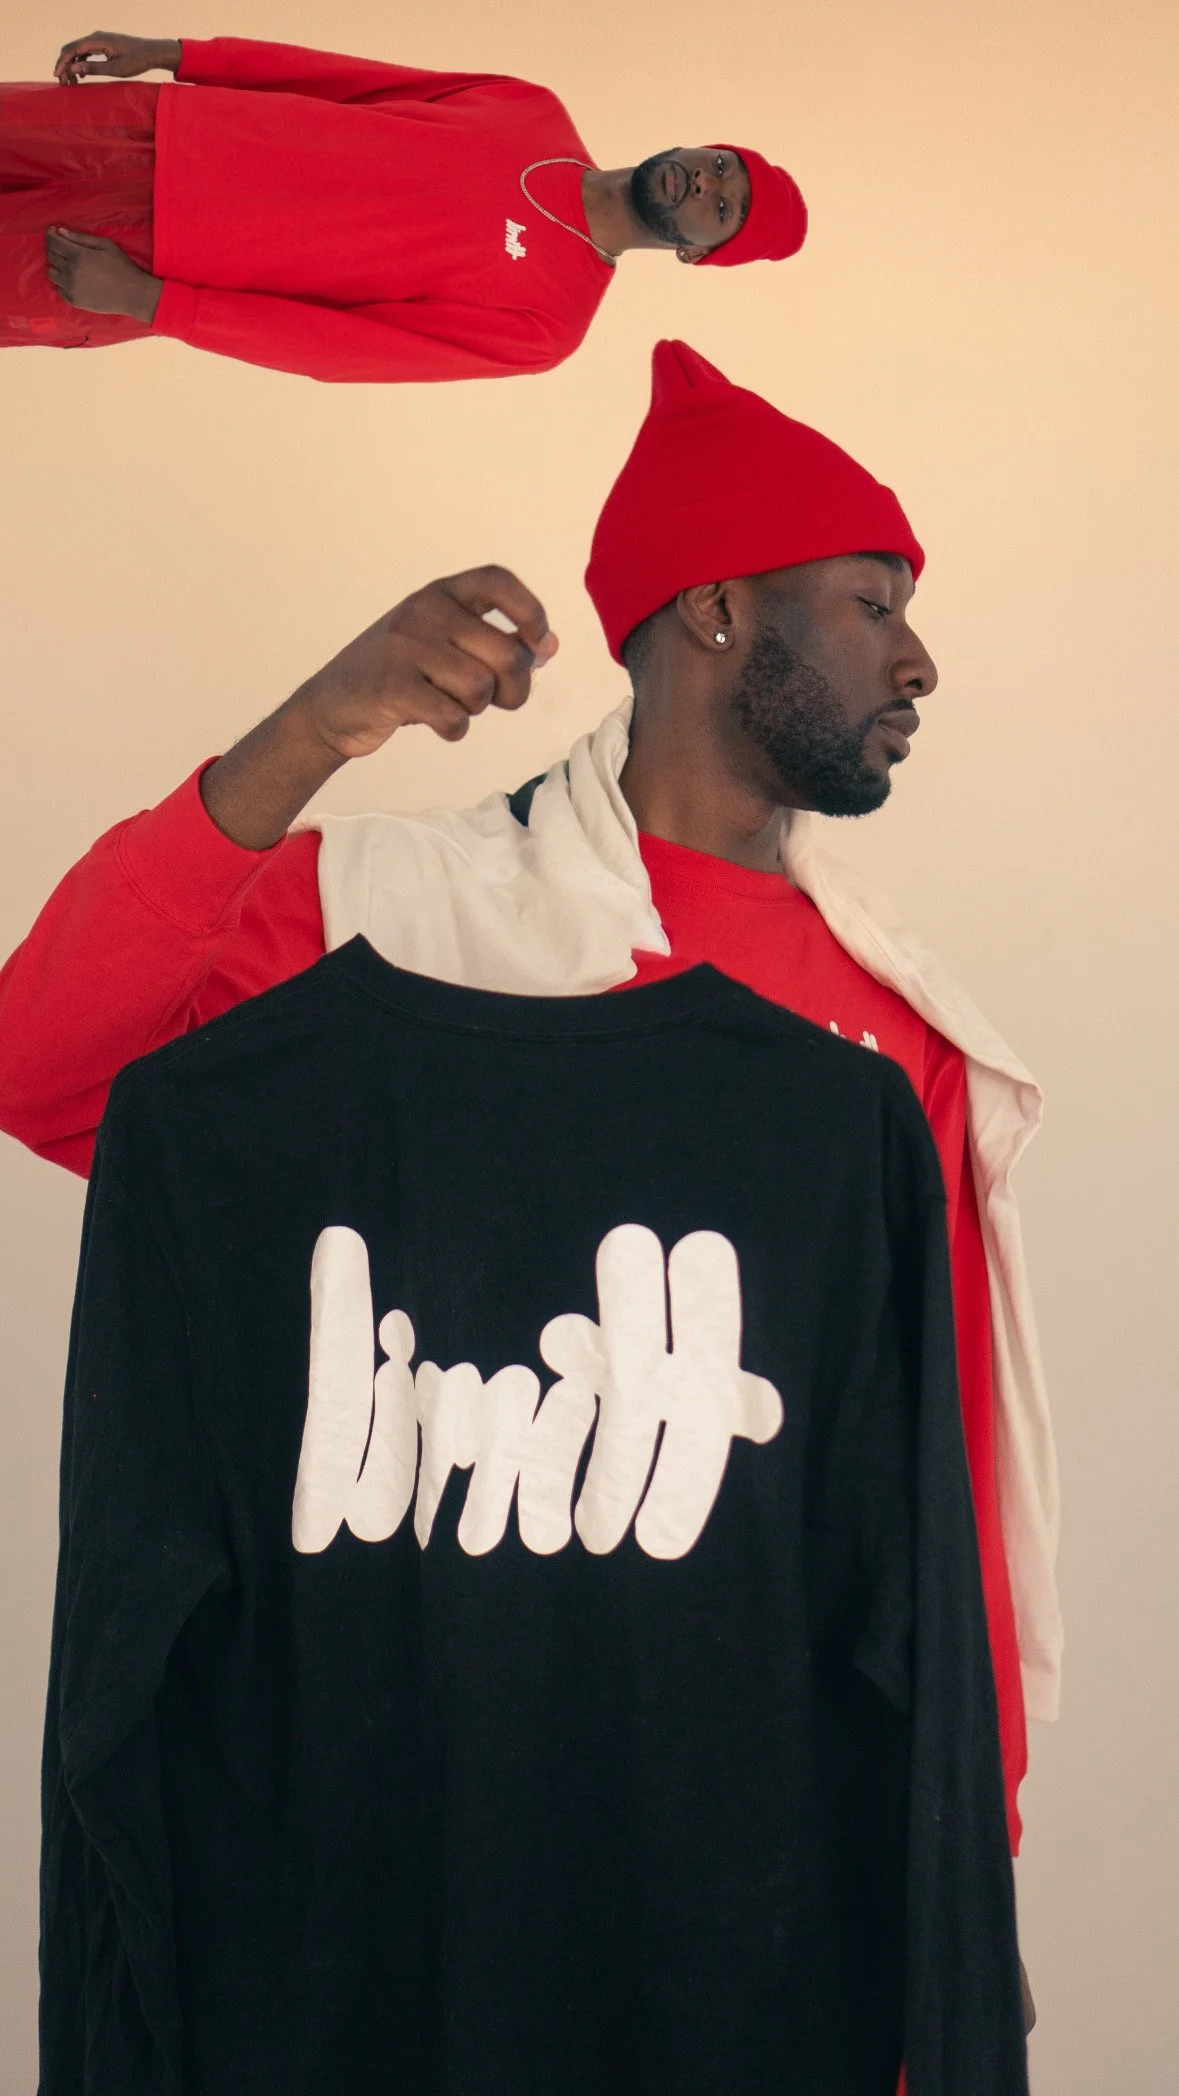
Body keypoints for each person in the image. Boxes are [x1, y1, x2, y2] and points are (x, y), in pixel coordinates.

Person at [0, 339, 1056, 2017]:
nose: (915, 655)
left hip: (766, 1905)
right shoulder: (388, 923)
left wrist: (952, 1868)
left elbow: (930, 1509)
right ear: (712, 613)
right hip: (410, 1884)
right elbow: (53, 1069)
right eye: (869, 599)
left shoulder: (900, 1031)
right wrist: (308, 733)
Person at [0, 29, 805, 376]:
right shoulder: (532, 108)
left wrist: (153, 304)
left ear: (698, 252)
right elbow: (347, 79)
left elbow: (338, 349)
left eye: (723, 206)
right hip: (150, 126)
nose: (706, 182)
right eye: (720, 165)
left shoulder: (545, 326)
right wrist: (180, 55)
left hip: (143, 258)